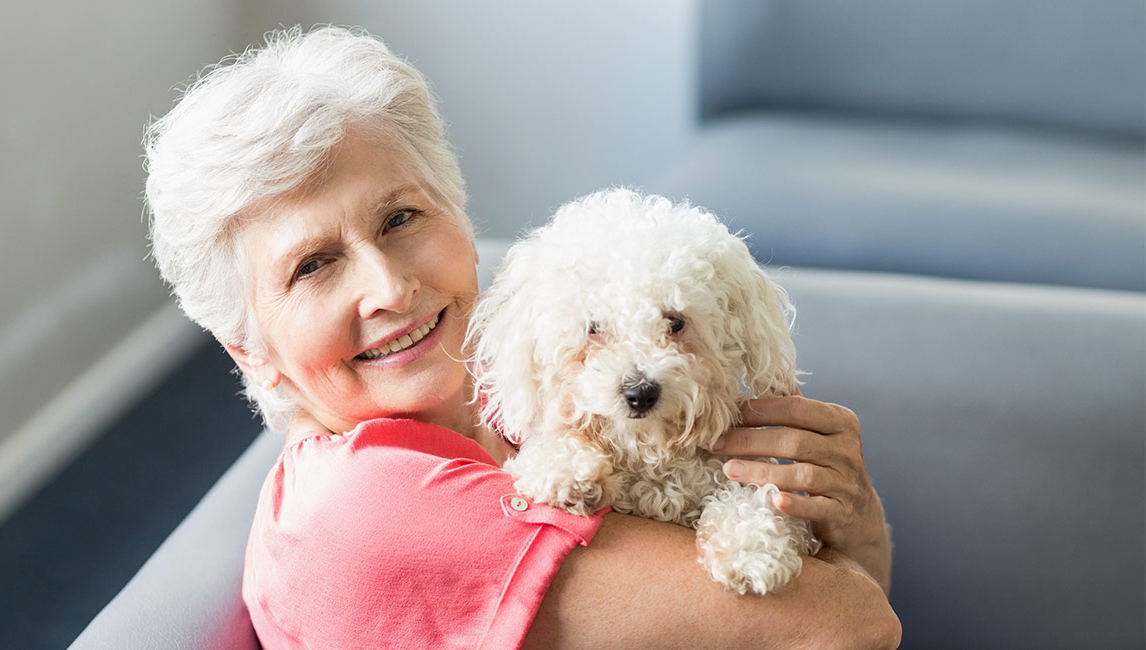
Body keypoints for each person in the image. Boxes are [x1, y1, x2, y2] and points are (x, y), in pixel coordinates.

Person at [144, 25, 899, 649]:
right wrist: (858, 543)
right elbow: (849, 628)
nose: (390, 287)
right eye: (313, 266)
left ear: (461, 216)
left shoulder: (507, 403)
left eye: (400, 218)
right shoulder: (373, 512)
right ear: (249, 350)